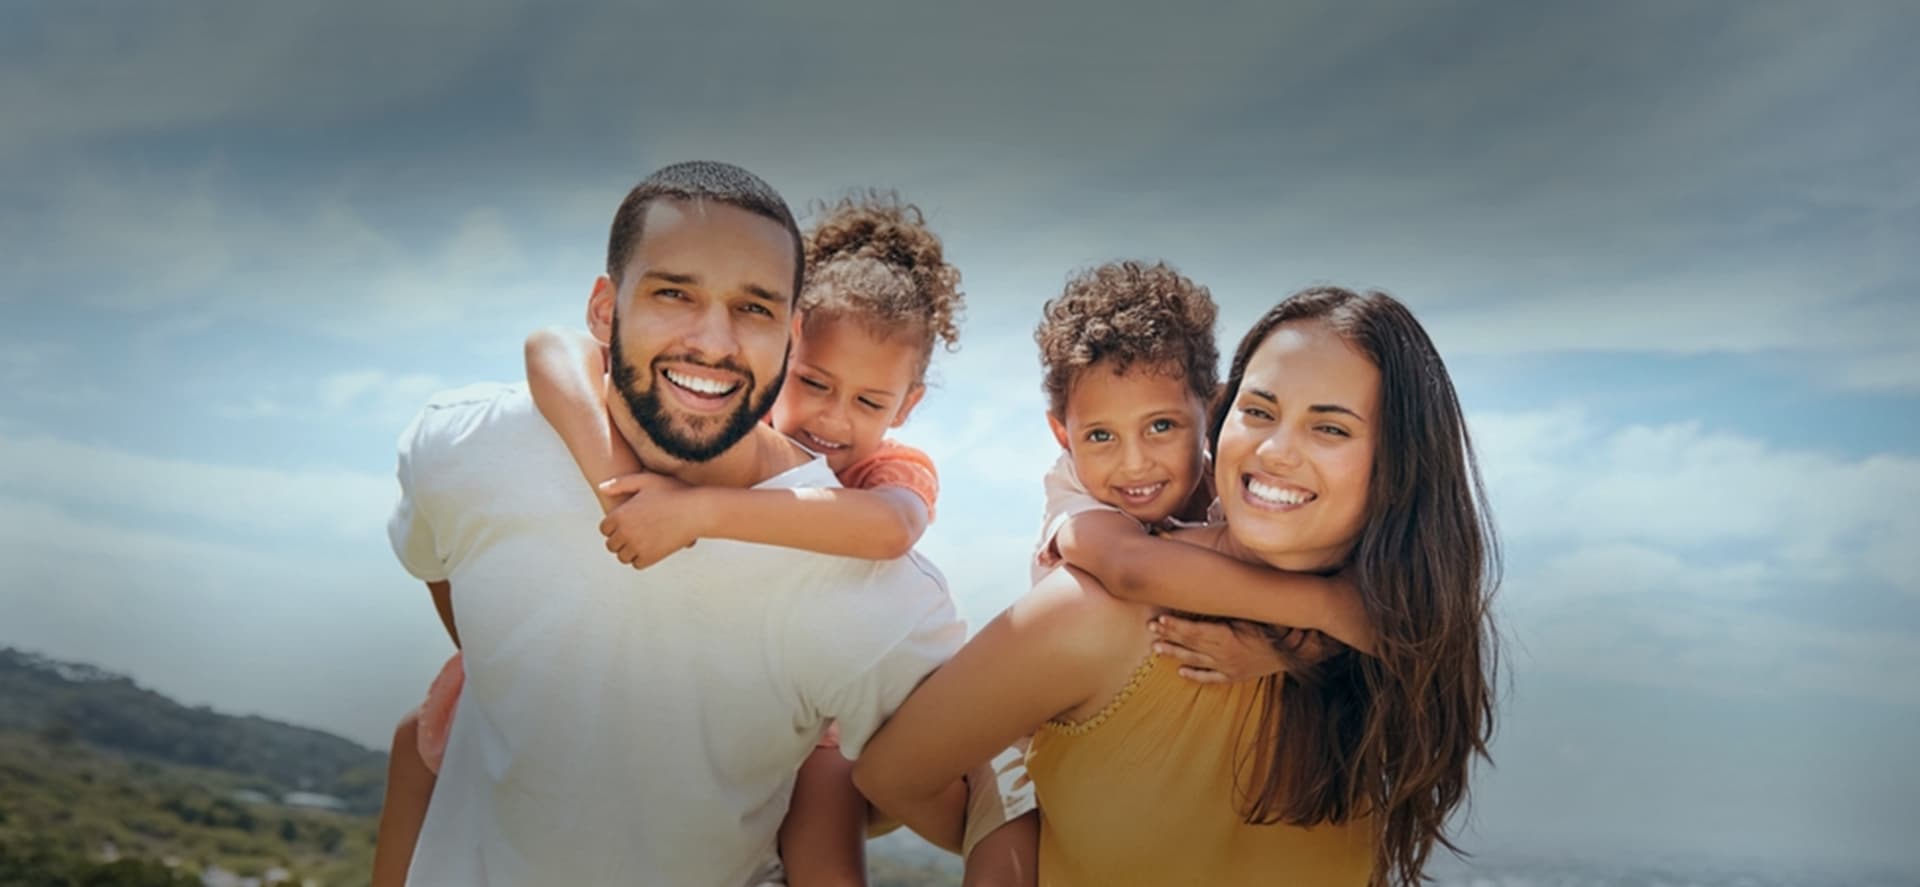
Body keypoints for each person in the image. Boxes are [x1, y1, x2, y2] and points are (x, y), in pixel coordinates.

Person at [381, 161, 966, 886]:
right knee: (419, 743)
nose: (714, 341)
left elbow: (893, 531)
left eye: (753, 308)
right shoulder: (467, 447)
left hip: (818, 748)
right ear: (605, 307)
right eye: (673, 292)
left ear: (784, 332)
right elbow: (544, 358)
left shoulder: (875, 575)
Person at [854, 283, 1500, 886]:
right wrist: (1038, 855)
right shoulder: (1096, 608)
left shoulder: (1396, 640)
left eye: (1329, 426)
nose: (1276, 451)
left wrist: (1303, 642)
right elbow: (893, 774)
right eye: (1261, 410)